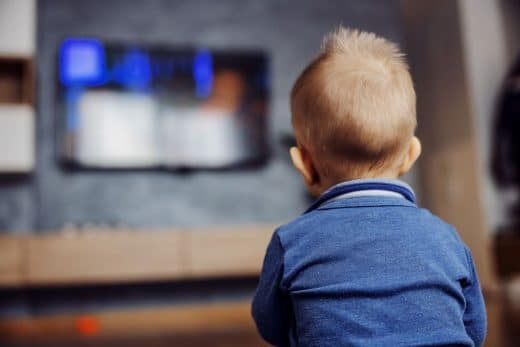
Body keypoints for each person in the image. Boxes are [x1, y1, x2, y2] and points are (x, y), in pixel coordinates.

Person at [251, 27, 486, 347]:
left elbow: (270, 325)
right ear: (411, 155)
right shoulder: (446, 238)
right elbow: (474, 329)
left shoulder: (291, 242)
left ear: (304, 163)